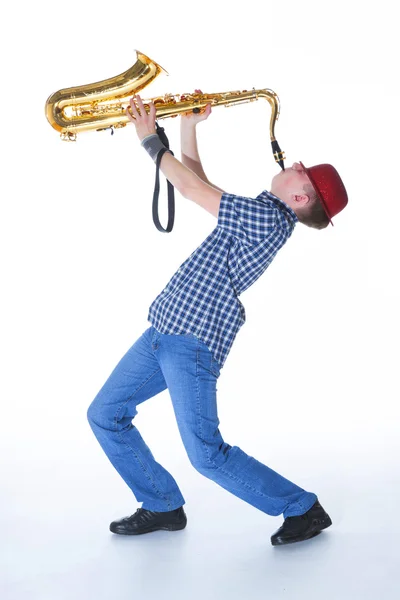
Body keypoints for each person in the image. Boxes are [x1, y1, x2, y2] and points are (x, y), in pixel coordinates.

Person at [87, 90, 348, 546]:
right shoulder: (262, 212)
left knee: (206, 454)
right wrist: (189, 127)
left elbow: (189, 189)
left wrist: (150, 139)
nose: (295, 163)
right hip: (163, 331)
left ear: (302, 194)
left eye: (301, 170)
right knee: (105, 414)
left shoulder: (266, 220)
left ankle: (302, 508)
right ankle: (162, 504)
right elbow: (198, 186)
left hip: (190, 344)